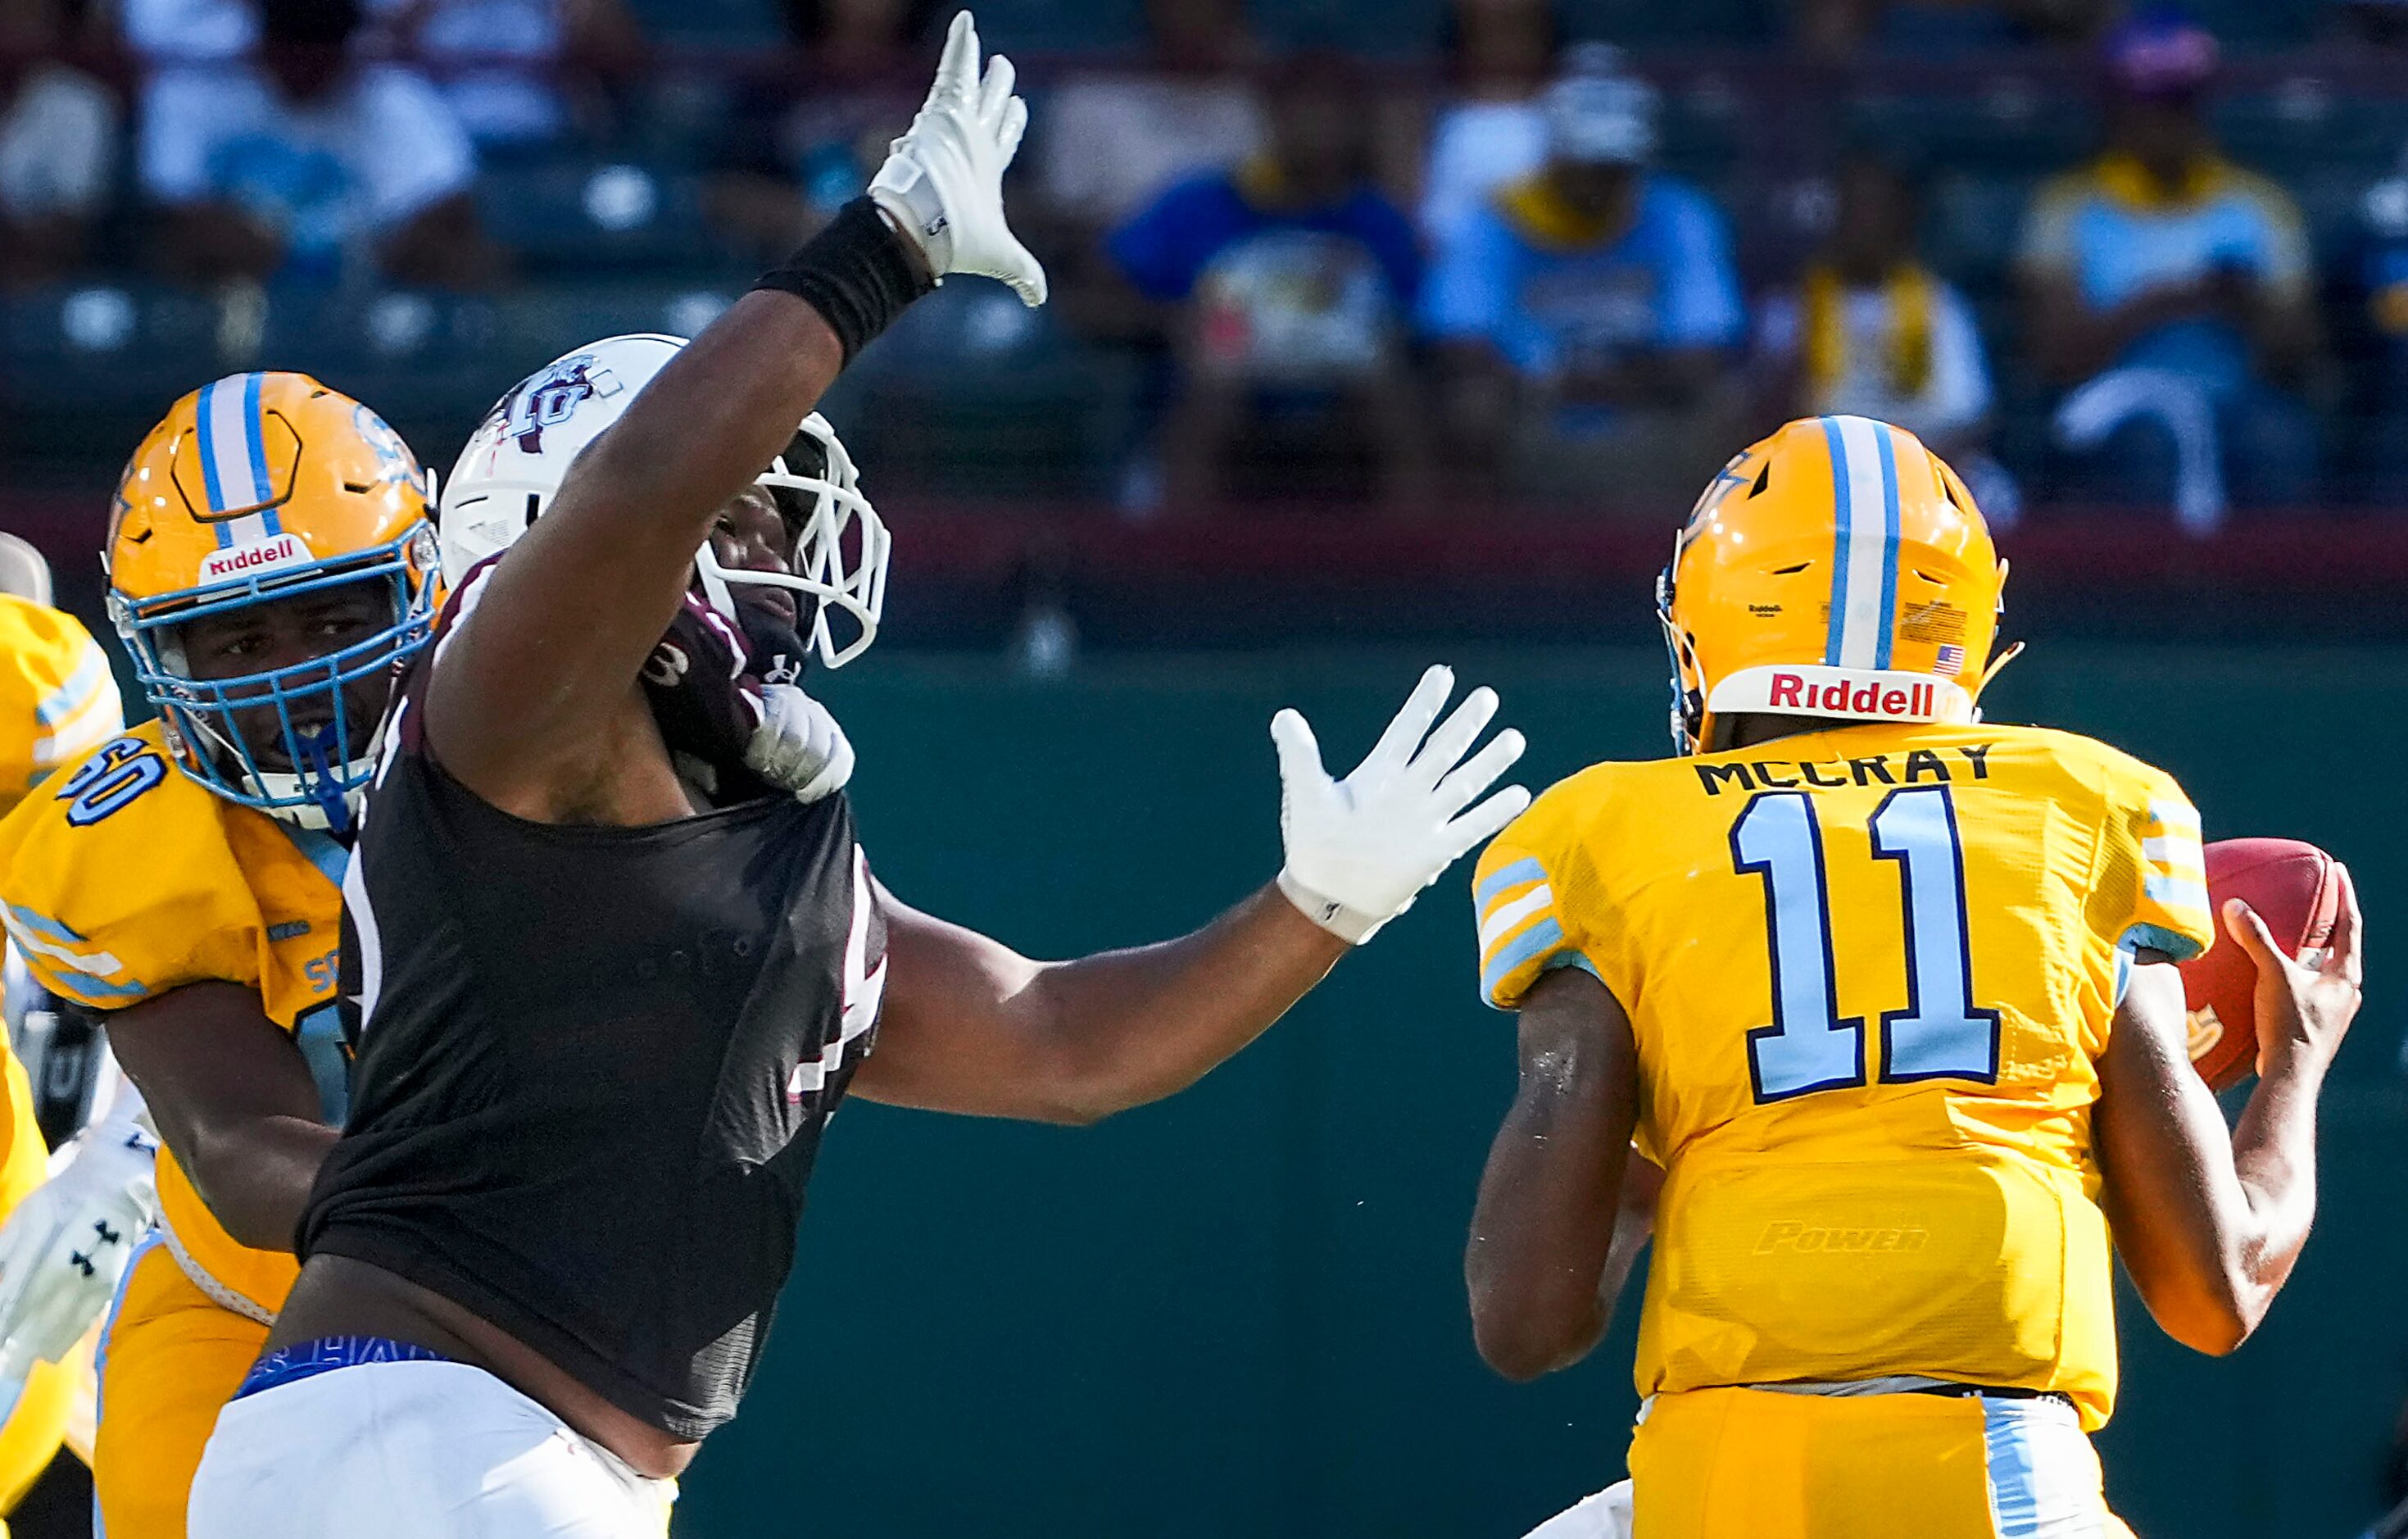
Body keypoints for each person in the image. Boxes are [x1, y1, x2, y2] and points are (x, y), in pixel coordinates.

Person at [184, 18, 1529, 1533]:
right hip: (422, 1427)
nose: (777, 546)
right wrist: (881, 245)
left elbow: (1059, 1041)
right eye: (746, 511)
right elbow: (640, 486)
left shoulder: (764, 839)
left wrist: (1318, 904)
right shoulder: (500, 710)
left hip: (508, 1451)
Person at [1463, 414, 2363, 1537]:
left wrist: (1682, 1151)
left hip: (1711, 1480)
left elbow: (1525, 1318)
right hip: (1993, 1475)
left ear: (1706, 620)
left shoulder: (1602, 830)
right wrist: (2293, 1065)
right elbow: (2212, 1287)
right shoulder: (2088, 807)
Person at [2017, 7, 2322, 515]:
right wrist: (2152, 307)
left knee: (2278, 439)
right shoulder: (2067, 207)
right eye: (2151, 102)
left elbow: (2301, 350)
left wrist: (2245, 306)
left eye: (2182, 101)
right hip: (2117, 401)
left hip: (2236, 398)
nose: (2169, 120)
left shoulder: (2259, 205)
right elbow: (2056, 355)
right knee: (2149, 447)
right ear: (2117, 110)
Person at [1422, 48, 1745, 508]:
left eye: (1616, 167)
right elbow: (1459, 340)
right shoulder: (1497, 220)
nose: (1602, 182)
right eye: (1589, 166)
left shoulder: (1680, 215)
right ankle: (1474, 558)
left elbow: (1702, 351)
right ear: (1555, 156)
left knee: (1723, 406)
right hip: (1531, 413)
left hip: (1645, 412)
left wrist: (1614, 384)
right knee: (1470, 403)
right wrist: (1548, 382)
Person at [1105, 51, 1431, 510]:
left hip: (1341, 388)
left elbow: (1414, 319)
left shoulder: (1378, 223)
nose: (1315, 122)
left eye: (1332, 107)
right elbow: (1101, 296)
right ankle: (1178, 564)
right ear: (1270, 113)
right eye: (1300, 105)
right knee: (1208, 390)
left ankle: (1414, 565)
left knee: (1394, 395)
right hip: (1227, 382)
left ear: (1358, 123)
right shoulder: (1199, 203)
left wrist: (1377, 339)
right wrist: (1177, 320)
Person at [138, 0, 501, 287]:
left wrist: (383, 252)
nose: (309, 55)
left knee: (464, 256)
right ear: (265, 39)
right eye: (295, 40)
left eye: (324, 41)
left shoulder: (391, 96)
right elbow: (175, 210)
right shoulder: (199, 91)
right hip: (232, 301)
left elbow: (448, 202)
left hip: (367, 301)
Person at [1756, 155, 2017, 523]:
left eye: (1876, 208)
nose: (1863, 222)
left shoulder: (1941, 304)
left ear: (1903, 217)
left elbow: (1973, 420)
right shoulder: (1791, 306)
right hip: (1819, 469)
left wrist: (1900, 475)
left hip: (1926, 465)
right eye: (1852, 207)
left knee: (1991, 495)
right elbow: (1764, 423)